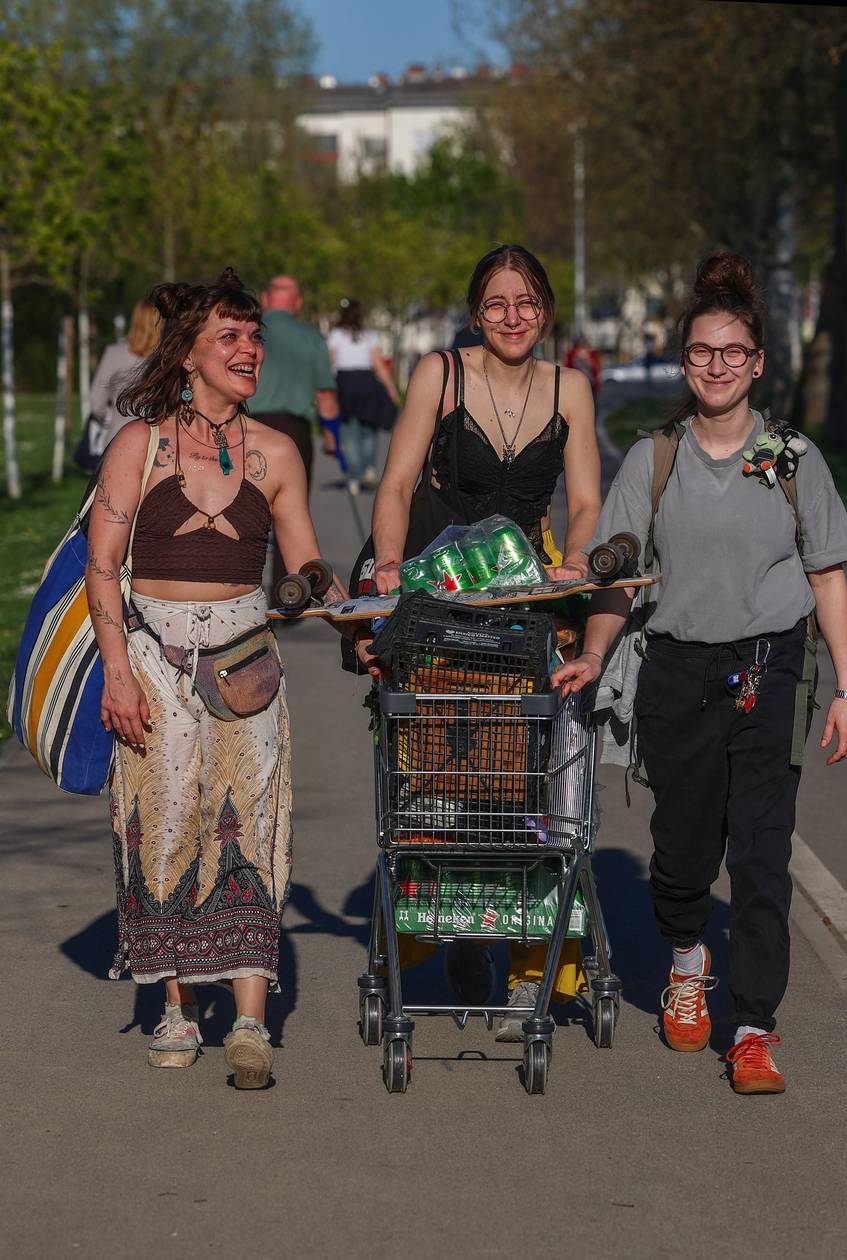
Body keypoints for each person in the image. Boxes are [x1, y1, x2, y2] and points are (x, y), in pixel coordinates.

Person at [553, 251, 847, 1094]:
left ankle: (755, 1025)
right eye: (702, 352)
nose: (717, 366)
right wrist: (590, 652)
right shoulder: (654, 460)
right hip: (677, 676)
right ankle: (687, 958)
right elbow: (615, 577)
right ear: (683, 360)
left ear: (758, 362)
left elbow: (828, 573)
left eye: (734, 353)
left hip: (770, 670)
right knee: (684, 853)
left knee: (762, 856)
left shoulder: (789, 457)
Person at [87, 268, 336, 1089]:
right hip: (155, 666)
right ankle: (175, 1008)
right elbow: (102, 567)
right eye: (229, 336)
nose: (250, 351)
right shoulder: (140, 445)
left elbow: (304, 560)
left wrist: (342, 598)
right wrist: (117, 673)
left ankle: (252, 1026)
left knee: (251, 825)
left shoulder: (274, 452)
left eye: (255, 336)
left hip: (246, 667)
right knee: (164, 829)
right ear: (188, 353)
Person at [365, 243, 603, 1040]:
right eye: (498, 303)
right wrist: (392, 569)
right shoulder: (442, 374)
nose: (513, 317)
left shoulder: (572, 386)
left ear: (546, 310)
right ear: (476, 312)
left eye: (528, 302)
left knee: (533, 775)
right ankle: (453, 931)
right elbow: (396, 483)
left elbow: (586, 497)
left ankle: (534, 962)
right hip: (443, 585)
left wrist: (572, 564)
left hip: (525, 592)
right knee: (445, 764)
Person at [248, 275, 339, 583]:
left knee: (244, 508)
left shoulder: (250, 332)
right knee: (289, 511)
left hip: (248, 425)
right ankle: (286, 591)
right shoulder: (311, 335)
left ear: (265, 298)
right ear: (297, 302)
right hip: (293, 431)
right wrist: (331, 436)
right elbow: (325, 395)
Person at [328, 299, 400, 494]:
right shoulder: (370, 336)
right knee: (369, 430)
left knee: (349, 432)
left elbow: (331, 364)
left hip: (345, 384)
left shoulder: (335, 335)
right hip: (367, 383)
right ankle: (369, 469)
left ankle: (354, 476)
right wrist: (391, 390)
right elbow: (378, 365)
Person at [89, 299, 161, 454]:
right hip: (158, 439)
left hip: (118, 435)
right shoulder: (166, 358)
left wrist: (106, 417)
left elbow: (96, 400)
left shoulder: (114, 353)